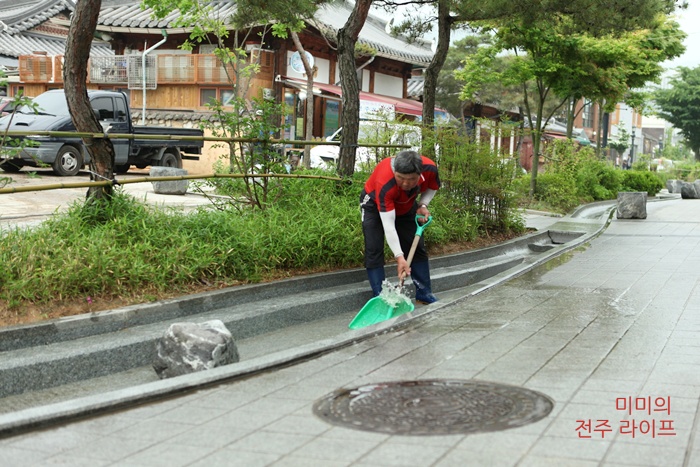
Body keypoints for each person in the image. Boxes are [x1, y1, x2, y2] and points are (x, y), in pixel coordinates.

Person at [360, 150, 441, 304]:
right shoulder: (385, 182)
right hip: (373, 205)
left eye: (411, 179)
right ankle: (381, 297)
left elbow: (433, 186)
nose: (405, 183)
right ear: (394, 172)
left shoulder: (430, 168)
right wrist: (399, 257)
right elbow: (389, 226)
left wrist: (423, 204)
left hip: (406, 204)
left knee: (416, 247)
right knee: (374, 247)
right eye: (400, 178)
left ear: (420, 174)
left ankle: (424, 292)